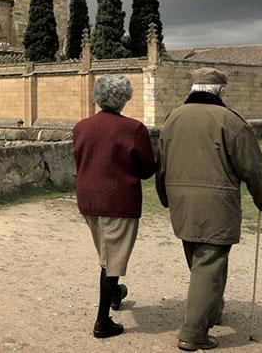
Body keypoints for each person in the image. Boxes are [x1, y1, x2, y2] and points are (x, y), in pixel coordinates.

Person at [157, 68, 262, 351]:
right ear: (220, 91)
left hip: (181, 201)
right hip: (217, 204)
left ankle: (211, 310)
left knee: (200, 260)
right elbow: (252, 167)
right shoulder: (231, 121)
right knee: (209, 265)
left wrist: (164, 197)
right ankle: (193, 333)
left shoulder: (173, 118)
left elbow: (161, 162)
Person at [73, 74, 157, 338]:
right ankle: (102, 322)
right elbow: (146, 170)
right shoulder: (133, 129)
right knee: (111, 262)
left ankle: (115, 293)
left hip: (88, 200)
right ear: (124, 99)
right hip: (118, 201)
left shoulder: (81, 126)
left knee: (108, 255)